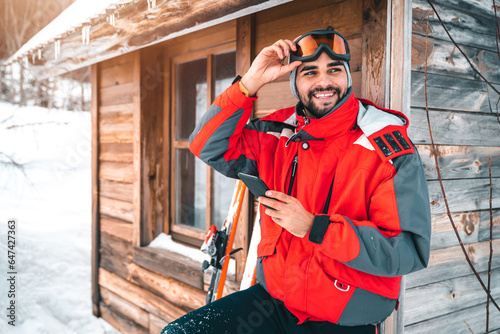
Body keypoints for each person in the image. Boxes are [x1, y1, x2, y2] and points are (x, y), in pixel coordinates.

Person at [162, 28, 431, 334]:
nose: (324, 82)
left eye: (334, 70)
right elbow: (208, 145)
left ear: (347, 77)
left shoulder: (386, 149)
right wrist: (250, 82)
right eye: (310, 72)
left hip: (343, 316)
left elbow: (408, 250)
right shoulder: (277, 134)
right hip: (273, 303)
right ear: (295, 82)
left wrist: (315, 228)